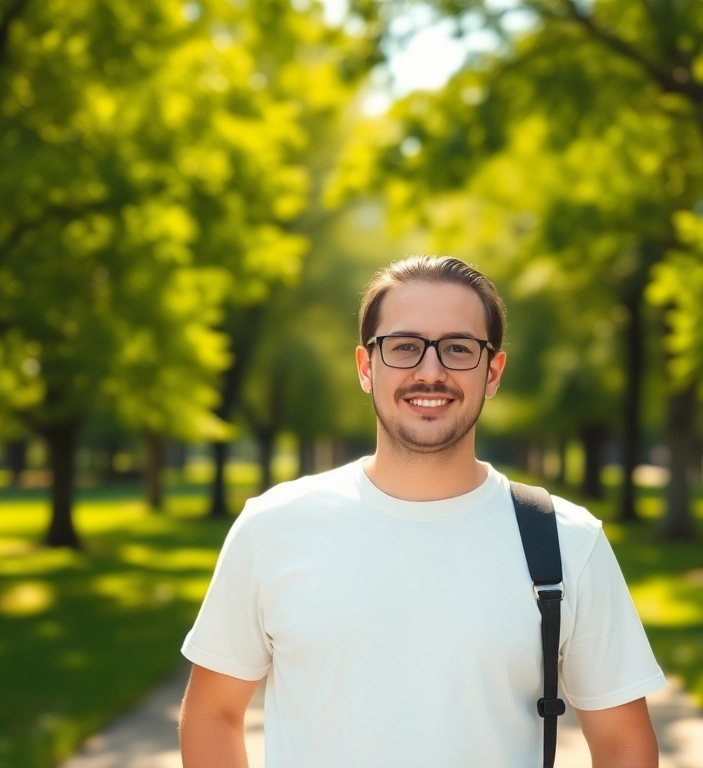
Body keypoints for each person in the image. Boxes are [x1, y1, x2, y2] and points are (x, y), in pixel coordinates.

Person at [178, 255, 665, 767]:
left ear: (492, 372)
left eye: (458, 349)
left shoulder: (566, 542)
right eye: (405, 347)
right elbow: (213, 714)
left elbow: (621, 743)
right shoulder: (273, 527)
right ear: (367, 367)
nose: (430, 372)